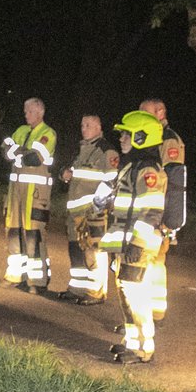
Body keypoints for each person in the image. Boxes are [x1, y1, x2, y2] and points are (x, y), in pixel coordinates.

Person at [92, 110, 168, 363]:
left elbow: (152, 211)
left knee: (137, 296)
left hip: (138, 243)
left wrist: (137, 243)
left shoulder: (149, 171)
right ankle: (132, 342)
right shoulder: (132, 166)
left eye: (127, 134)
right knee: (126, 293)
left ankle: (144, 348)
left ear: (142, 137)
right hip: (125, 241)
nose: (122, 138)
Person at [0, 97, 57, 292]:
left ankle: (37, 282)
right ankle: (15, 275)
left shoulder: (48, 133)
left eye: (29, 111)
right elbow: (5, 150)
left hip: (36, 194)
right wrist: (19, 152)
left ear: (40, 113)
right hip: (15, 191)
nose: (26, 115)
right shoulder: (20, 131)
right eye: (25, 111)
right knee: (13, 232)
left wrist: (17, 152)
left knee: (33, 235)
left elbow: (34, 158)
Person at [60, 114, 117, 305]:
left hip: (93, 213)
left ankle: (96, 291)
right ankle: (77, 288)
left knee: (95, 251)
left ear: (99, 128)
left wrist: (97, 207)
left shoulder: (105, 151)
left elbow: (112, 181)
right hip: (75, 212)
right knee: (76, 250)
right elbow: (74, 173)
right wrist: (65, 174)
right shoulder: (83, 150)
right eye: (82, 125)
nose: (84, 128)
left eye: (88, 125)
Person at [139, 97, 187, 321]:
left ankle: (151, 314)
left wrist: (168, 219)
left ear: (160, 113)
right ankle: (148, 312)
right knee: (146, 260)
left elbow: (174, 182)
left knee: (153, 261)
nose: (139, 116)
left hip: (158, 213)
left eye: (144, 112)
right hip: (147, 211)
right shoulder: (150, 137)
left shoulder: (168, 140)